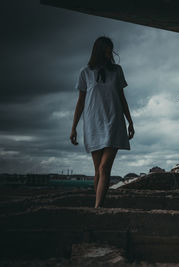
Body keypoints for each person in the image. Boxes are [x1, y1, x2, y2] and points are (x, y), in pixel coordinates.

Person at [69, 36, 135, 208]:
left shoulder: (117, 71)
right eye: (106, 49)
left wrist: (130, 121)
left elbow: (122, 97)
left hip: (114, 121)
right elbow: (81, 101)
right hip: (93, 123)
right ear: (98, 50)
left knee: (104, 168)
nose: (108, 53)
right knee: (97, 170)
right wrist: (73, 127)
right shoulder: (85, 72)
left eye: (110, 50)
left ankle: (98, 208)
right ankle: (98, 205)